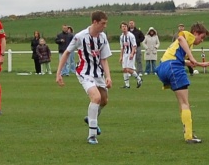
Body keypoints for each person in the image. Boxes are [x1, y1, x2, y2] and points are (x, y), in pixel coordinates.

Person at [56, 10, 112, 145]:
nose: (105, 26)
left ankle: (91, 118)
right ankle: (92, 135)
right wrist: (58, 73)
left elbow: (104, 59)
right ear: (95, 22)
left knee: (104, 101)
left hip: (98, 74)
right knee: (96, 97)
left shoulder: (102, 37)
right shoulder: (80, 37)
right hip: (84, 73)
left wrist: (108, 76)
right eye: (103, 23)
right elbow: (66, 53)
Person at [155, 22, 209, 144]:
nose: (201, 41)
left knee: (182, 103)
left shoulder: (187, 46)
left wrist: (198, 63)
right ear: (196, 33)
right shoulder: (188, 36)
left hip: (163, 68)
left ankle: (188, 130)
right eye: (201, 37)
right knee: (185, 103)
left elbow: (181, 59)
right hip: (173, 67)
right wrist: (191, 57)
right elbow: (180, 37)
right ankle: (189, 136)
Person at [119, 21, 143, 89]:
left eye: (125, 26)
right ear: (121, 28)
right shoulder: (121, 37)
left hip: (130, 53)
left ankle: (139, 79)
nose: (124, 28)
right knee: (124, 69)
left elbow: (134, 45)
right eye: (123, 27)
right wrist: (121, 56)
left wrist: (132, 53)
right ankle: (127, 85)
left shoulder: (131, 35)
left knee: (129, 69)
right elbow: (122, 47)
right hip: (125, 54)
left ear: (127, 27)